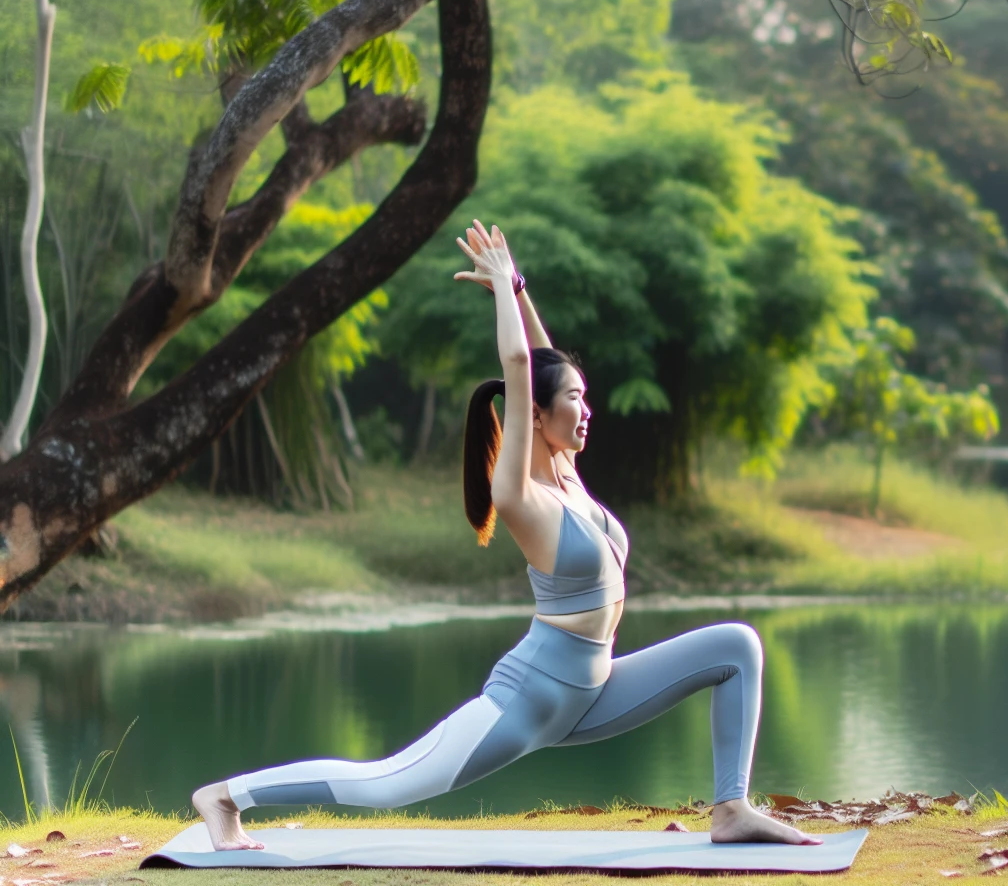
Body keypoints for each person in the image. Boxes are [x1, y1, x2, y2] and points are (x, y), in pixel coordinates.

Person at [190, 220, 818, 851]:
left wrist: (515, 287)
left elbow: (542, 368)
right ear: (538, 417)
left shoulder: (568, 476)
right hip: (527, 703)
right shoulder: (520, 497)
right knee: (383, 784)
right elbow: (523, 367)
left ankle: (731, 809)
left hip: (596, 689)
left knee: (737, 647)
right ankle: (224, 797)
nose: (588, 409)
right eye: (577, 400)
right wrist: (499, 295)